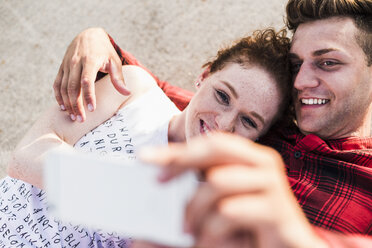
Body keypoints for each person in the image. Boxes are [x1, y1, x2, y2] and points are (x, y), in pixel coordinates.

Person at [52, 0, 372, 247]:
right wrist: (98, 42)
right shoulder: (266, 123)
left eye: (328, 63)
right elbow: (195, 104)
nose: (300, 81)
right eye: (295, 64)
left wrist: (297, 239)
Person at [3, 29, 291, 247]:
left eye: (249, 121)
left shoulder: (210, 202)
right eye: (223, 96)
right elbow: (24, 158)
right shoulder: (135, 89)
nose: (225, 124)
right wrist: (145, 201)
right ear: (204, 76)